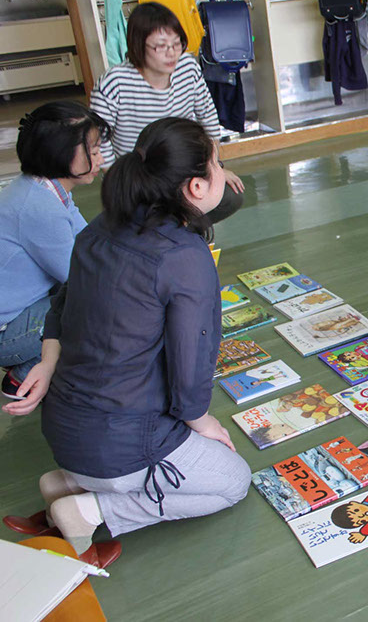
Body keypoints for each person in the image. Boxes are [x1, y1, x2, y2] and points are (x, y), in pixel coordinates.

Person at [2, 117, 250, 555]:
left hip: (63, 430)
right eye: (217, 164)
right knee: (233, 481)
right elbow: (191, 363)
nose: (222, 172)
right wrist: (201, 421)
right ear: (196, 187)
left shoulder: (102, 225)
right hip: (119, 443)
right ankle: (91, 509)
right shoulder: (185, 257)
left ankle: (67, 483)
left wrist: (47, 360)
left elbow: (62, 301)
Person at [89, 1, 245, 223]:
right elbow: (98, 140)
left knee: (229, 196)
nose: (172, 53)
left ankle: (183, 231)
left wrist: (214, 169)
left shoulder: (188, 68)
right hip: (140, 179)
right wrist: (121, 183)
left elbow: (209, 120)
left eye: (177, 43)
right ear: (138, 45)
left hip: (182, 174)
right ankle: (172, 231)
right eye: (161, 46)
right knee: (148, 219)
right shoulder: (114, 83)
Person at [0, 102, 108, 397]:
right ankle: (24, 375)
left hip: (21, 309)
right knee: (96, 308)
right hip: (7, 331)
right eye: (93, 151)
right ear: (60, 155)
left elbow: (88, 240)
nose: (100, 158)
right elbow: (83, 277)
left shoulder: (46, 188)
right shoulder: (40, 208)